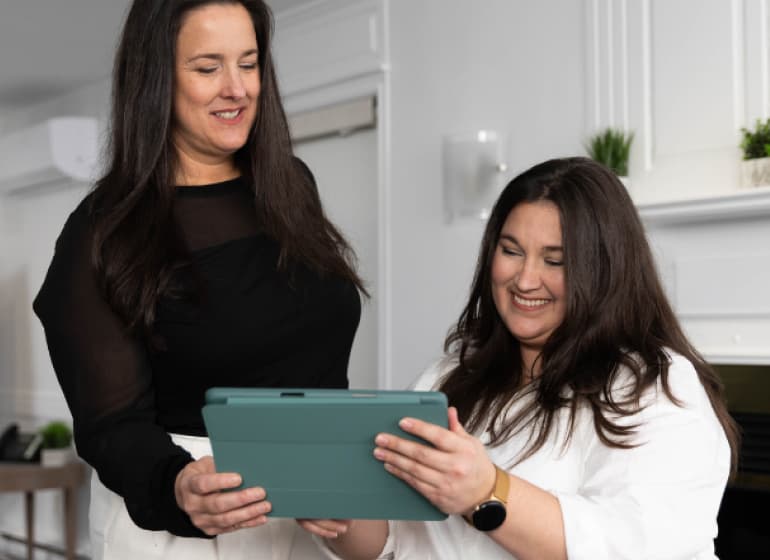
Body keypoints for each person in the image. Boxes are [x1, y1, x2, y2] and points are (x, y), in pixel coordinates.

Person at [33, 0, 364, 558]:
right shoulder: (103, 231)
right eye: (208, 68)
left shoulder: (290, 189)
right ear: (157, 79)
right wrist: (180, 486)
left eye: (250, 63)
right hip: (181, 516)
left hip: (306, 512)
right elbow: (111, 425)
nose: (236, 88)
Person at [300, 157, 739, 559]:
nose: (525, 279)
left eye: (556, 260)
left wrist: (487, 492)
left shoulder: (656, 388)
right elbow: (395, 537)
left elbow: (635, 545)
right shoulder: (448, 378)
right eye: (511, 251)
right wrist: (339, 515)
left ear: (604, 271)